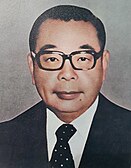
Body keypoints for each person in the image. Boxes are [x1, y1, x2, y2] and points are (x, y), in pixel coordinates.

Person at [0, 5, 131, 168]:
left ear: (103, 64)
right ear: (32, 67)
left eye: (83, 59)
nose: (67, 74)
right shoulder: (4, 139)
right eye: (52, 59)